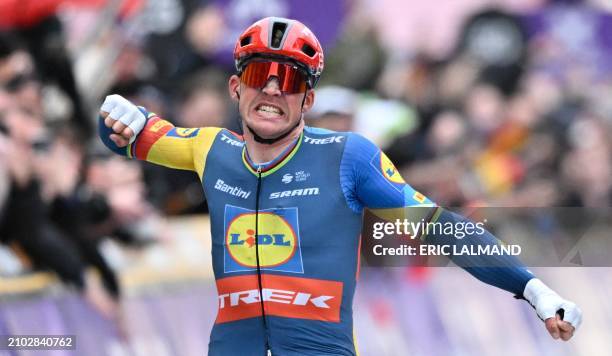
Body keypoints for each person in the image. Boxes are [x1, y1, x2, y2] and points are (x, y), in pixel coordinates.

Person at [98, 17, 582, 356]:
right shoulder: (209, 149)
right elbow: (129, 136)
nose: (271, 90)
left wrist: (532, 288)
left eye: (287, 79)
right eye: (259, 74)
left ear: (307, 99)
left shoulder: (349, 157)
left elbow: (439, 228)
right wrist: (115, 113)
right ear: (235, 87)